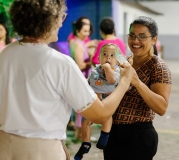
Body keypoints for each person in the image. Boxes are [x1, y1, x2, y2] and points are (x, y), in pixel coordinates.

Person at [0, 0, 134, 160]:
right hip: (40, 151)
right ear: (48, 20)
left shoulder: (5, 54)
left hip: (2, 146)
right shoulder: (60, 63)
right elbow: (99, 115)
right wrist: (124, 82)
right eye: (60, 16)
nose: (61, 21)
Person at [103, 16, 172, 160]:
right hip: (114, 133)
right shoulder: (124, 61)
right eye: (132, 36)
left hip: (138, 136)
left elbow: (162, 107)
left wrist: (138, 83)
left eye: (142, 37)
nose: (135, 41)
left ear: (154, 39)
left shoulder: (158, 67)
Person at [74, 43, 130, 160]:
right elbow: (89, 82)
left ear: (118, 60)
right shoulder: (95, 70)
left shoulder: (116, 71)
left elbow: (111, 81)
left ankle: (104, 135)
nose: (108, 58)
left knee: (107, 117)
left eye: (112, 55)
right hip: (94, 99)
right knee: (85, 120)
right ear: (99, 58)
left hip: (108, 100)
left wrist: (107, 68)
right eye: (104, 54)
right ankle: (86, 143)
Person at [69, 17, 94, 140]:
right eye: (84, 31)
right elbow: (80, 65)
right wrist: (91, 61)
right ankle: (80, 135)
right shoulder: (78, 45)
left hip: (83, 77)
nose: (87, 34)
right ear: (78, 31)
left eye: (88, 31)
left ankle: (80, 134)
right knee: (82, 107)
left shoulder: (79, 43)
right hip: (82, 77)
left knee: (82, 107)